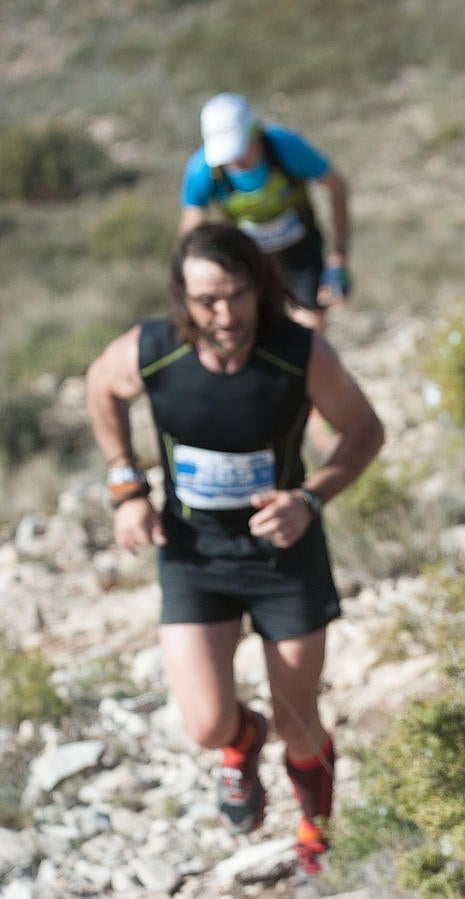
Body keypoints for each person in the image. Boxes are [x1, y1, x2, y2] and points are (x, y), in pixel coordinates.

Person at [85, 222, 384, 879]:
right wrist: (126, 483)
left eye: (237, 295)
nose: (223, 315)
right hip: (194, 554)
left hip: (285, 555)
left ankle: (316, 833)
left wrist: (309, 497)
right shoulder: (153, 350)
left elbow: (364, 431)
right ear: (181, 299)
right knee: (207, 723)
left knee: (298, 718)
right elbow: (99, 386)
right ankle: (240, 746)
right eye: (206, 301)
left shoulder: (300, 353)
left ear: (260, 287)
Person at [180, 92, 352, 334]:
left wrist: (339, 257)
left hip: (300, 252)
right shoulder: (203, 169)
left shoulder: (286, 148)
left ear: (254, 132)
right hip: (248, 259)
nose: (234, 161)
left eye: (239, 149)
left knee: (308, 331)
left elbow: (336, 186)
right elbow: (192, 231)